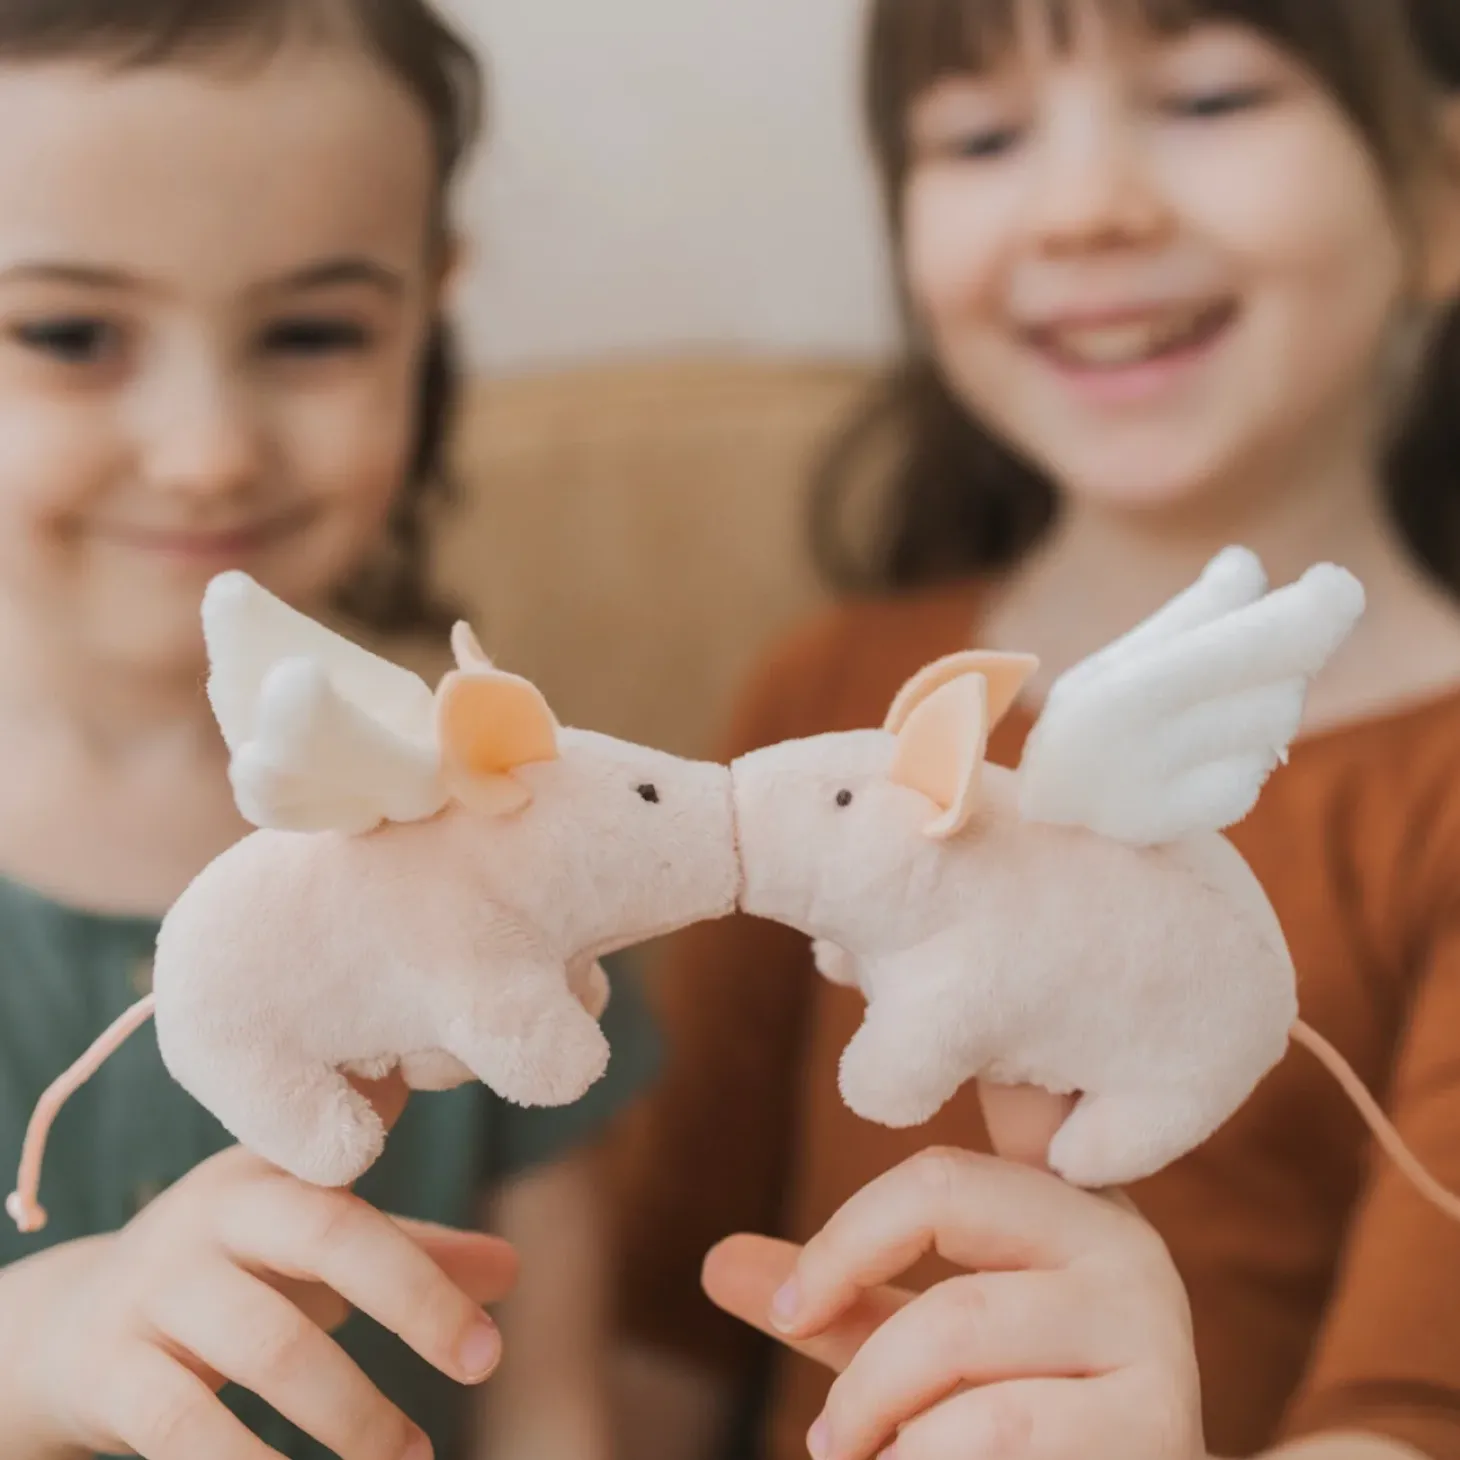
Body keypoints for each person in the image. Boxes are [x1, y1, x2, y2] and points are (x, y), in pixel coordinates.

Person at [609, 1, 1460, 1458]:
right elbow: (653, 1337)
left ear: (1441, 194)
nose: (1084, 209)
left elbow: (1408, 1417)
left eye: (1207, 98)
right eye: (984, 134)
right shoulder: (820, 706)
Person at [0, 3, 661, 1457]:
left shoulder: (516, 822)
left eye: (312, 331)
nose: (207, 449)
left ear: (431, 311)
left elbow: (555, 1409)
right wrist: (35, 1352)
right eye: (67, 332)